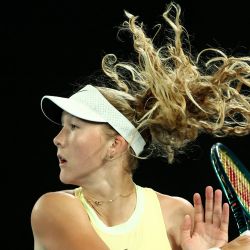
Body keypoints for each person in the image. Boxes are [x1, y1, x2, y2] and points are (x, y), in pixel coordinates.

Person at [31, 2, 250, 250]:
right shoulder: (53, 209)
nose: (57, 139)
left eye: (73, 127)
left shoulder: (178, 214)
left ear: (114, 144)